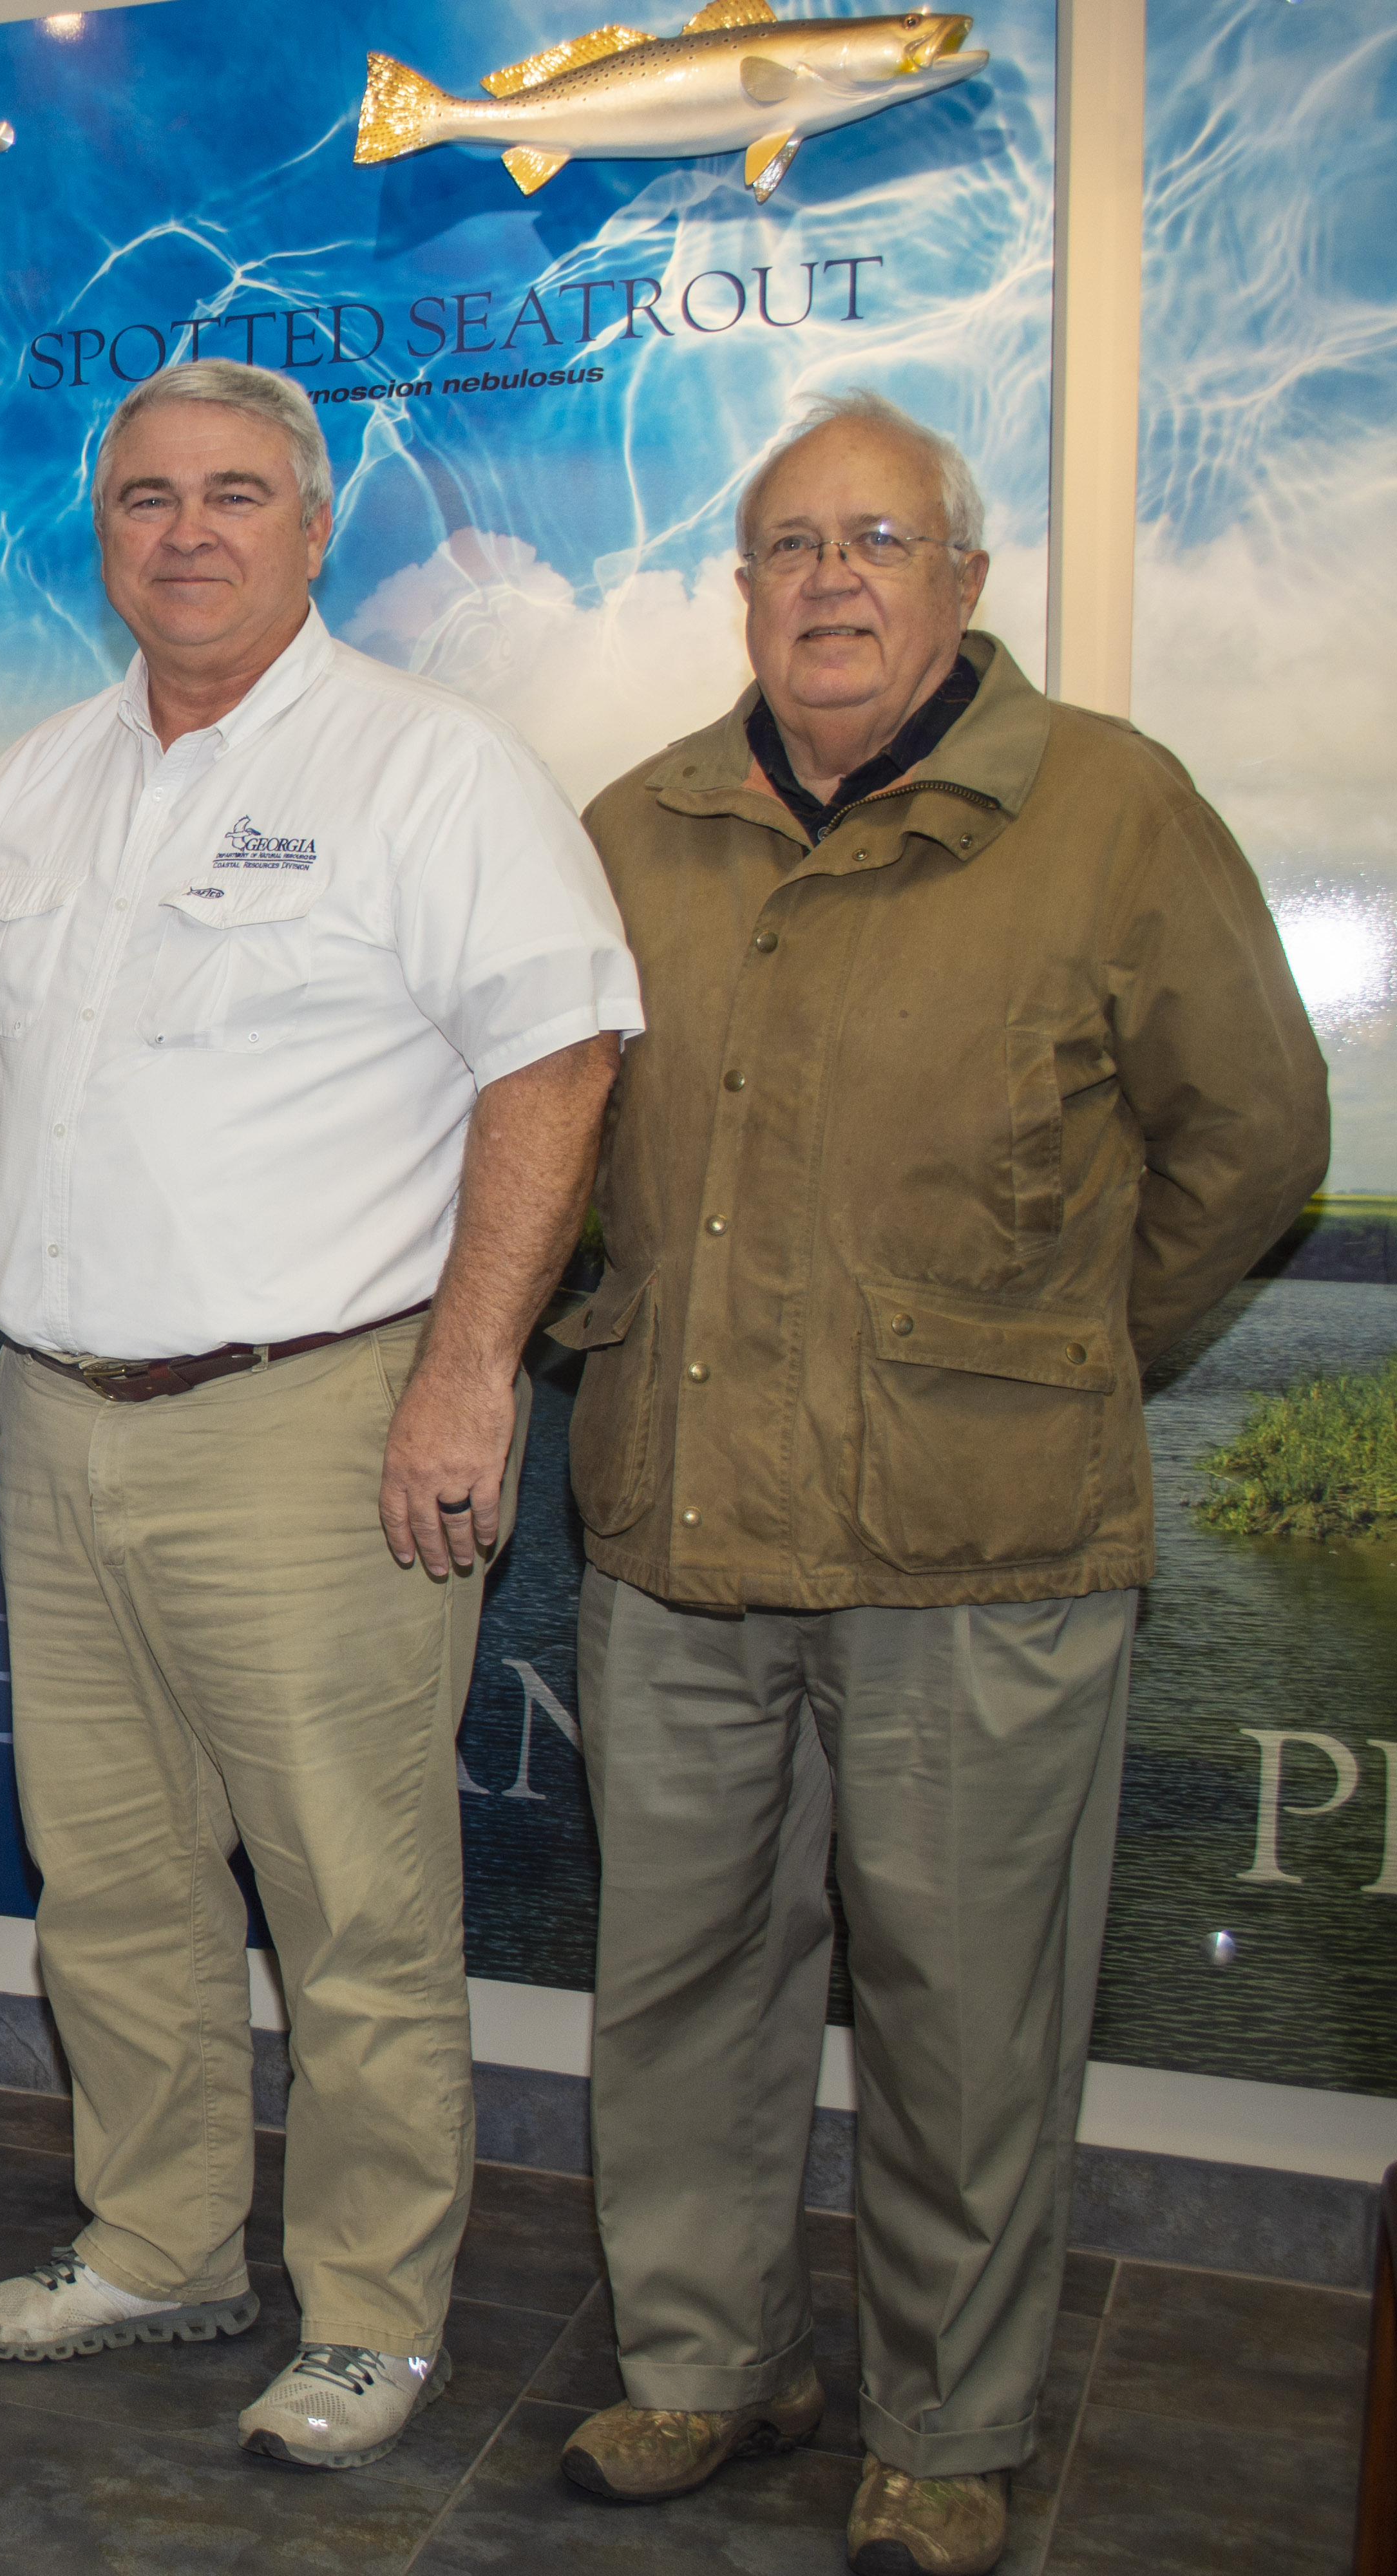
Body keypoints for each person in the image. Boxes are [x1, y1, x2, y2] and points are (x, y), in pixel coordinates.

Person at [548, 392, 1326, 2576]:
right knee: (677, 1984)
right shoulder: (638, 825)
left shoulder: (1112, 811)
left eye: (877, 540)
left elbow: (1253, 1138)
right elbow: (555, 1147)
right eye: (789, 543)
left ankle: (951, 2425)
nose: (829, 580)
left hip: (975, 1545)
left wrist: (1052, 1354)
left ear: (965, 582)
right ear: (744, 588)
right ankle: (703, 2367)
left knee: (970, 2012)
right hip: (682, 1524)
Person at [0, 359, 641, 2469]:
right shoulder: (34, 782)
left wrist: (471, 1373)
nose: (190, 531)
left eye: (240, 495)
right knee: (113, 1881)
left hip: (317, 1419)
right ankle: (156, 2244)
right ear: (104, 533)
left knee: (355, 1902)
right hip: (55, 1416)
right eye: (148, 497)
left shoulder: (436, 770)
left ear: (318, 531)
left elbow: (558, 1065)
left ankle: (370, 2313)